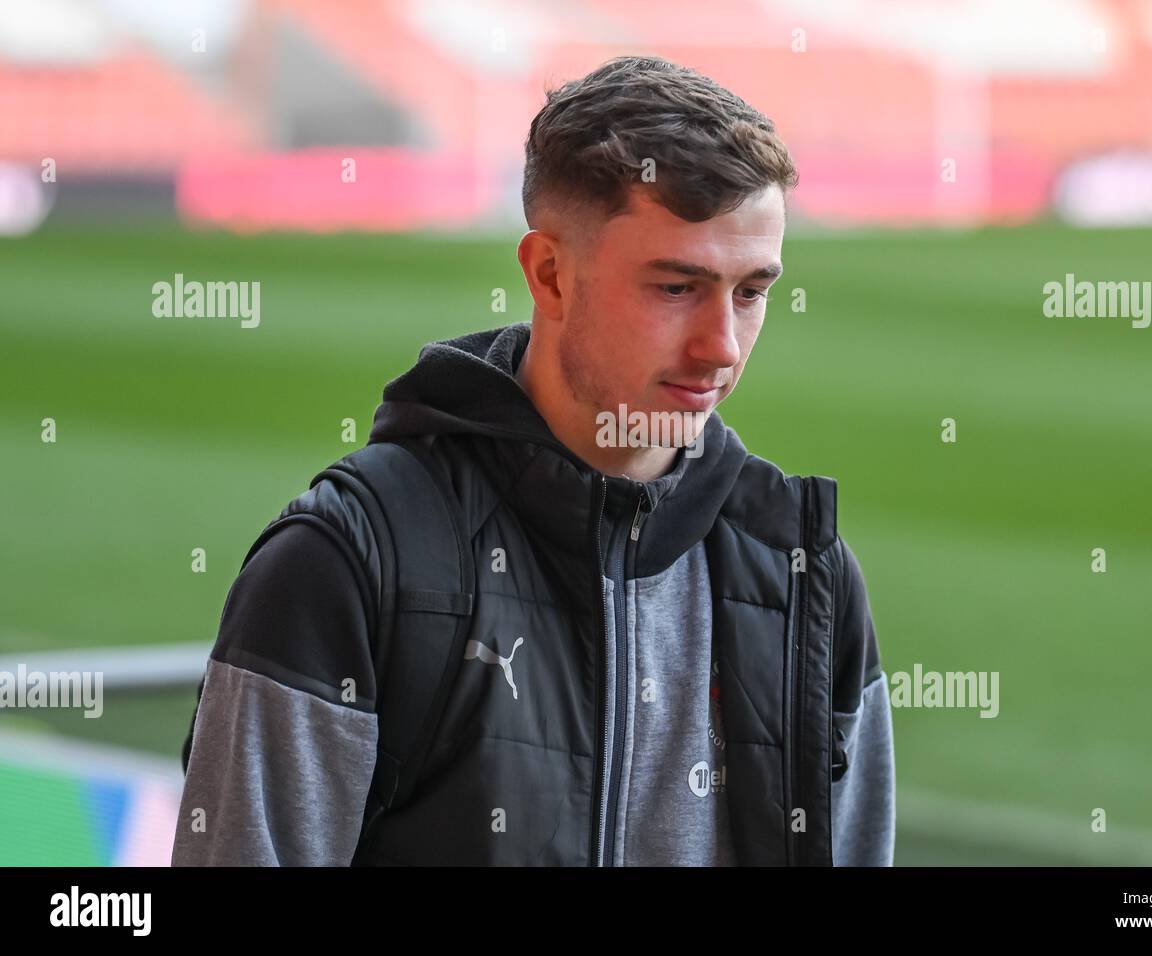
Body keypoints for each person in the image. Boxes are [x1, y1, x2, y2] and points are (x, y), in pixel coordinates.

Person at [171, 54, 895, 866]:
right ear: (549, 274)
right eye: (676, 288)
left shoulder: (804, 572)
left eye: (752, 292)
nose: (721, 346)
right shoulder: (346, 558)